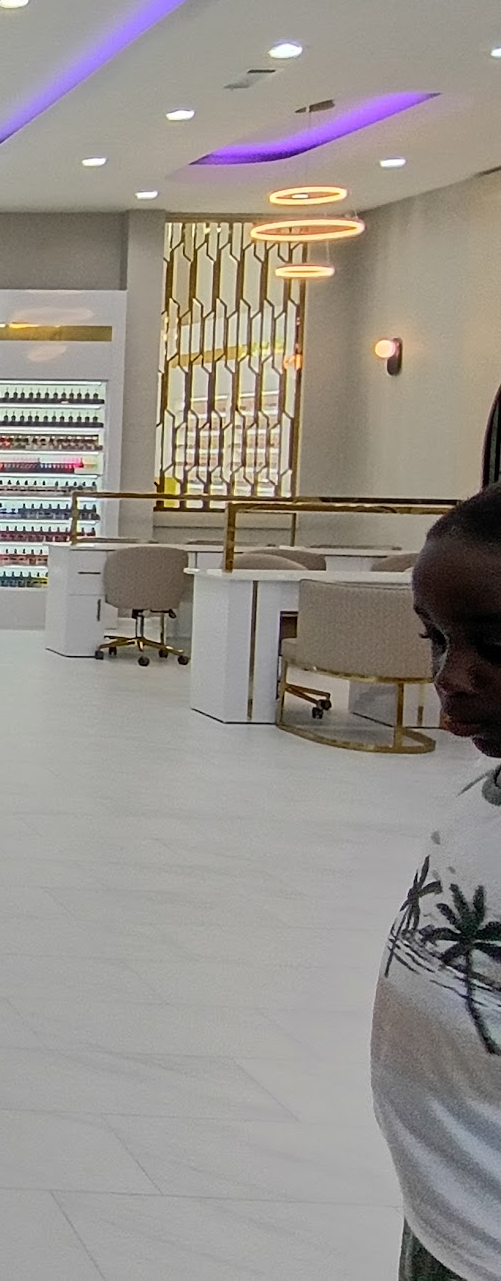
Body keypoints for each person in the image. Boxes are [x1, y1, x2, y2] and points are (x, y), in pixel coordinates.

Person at [376, 487, 501, 1281]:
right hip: (442, 1221)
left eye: (493, 644)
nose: (452, 675)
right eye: (436, 639)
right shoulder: (479, 803)